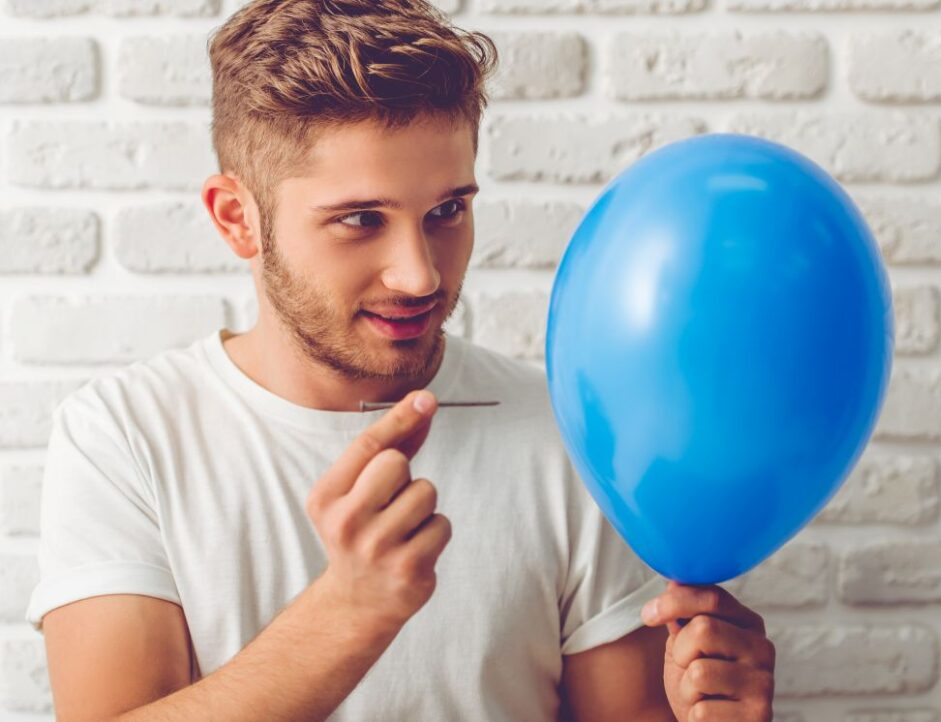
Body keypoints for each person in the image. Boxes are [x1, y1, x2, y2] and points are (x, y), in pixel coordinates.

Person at [24, 1, 776, 720]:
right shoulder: (124, 436)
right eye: (359, 220)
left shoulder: (566, 427)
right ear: (237, 219)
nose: (419, 275)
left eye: (447, 211)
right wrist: (350, 611)